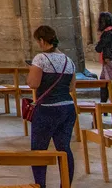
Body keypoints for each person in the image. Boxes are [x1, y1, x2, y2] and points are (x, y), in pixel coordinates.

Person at [27, 26, 76, 188]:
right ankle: (66, 185)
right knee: (64, 149)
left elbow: (33, 84)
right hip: (68, 108)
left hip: (47, 109)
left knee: (39, 150)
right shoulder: (68, 60)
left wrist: (31, 71)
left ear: (42, 41)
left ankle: (40, 185)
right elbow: (71, 87)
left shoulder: (40, 59)